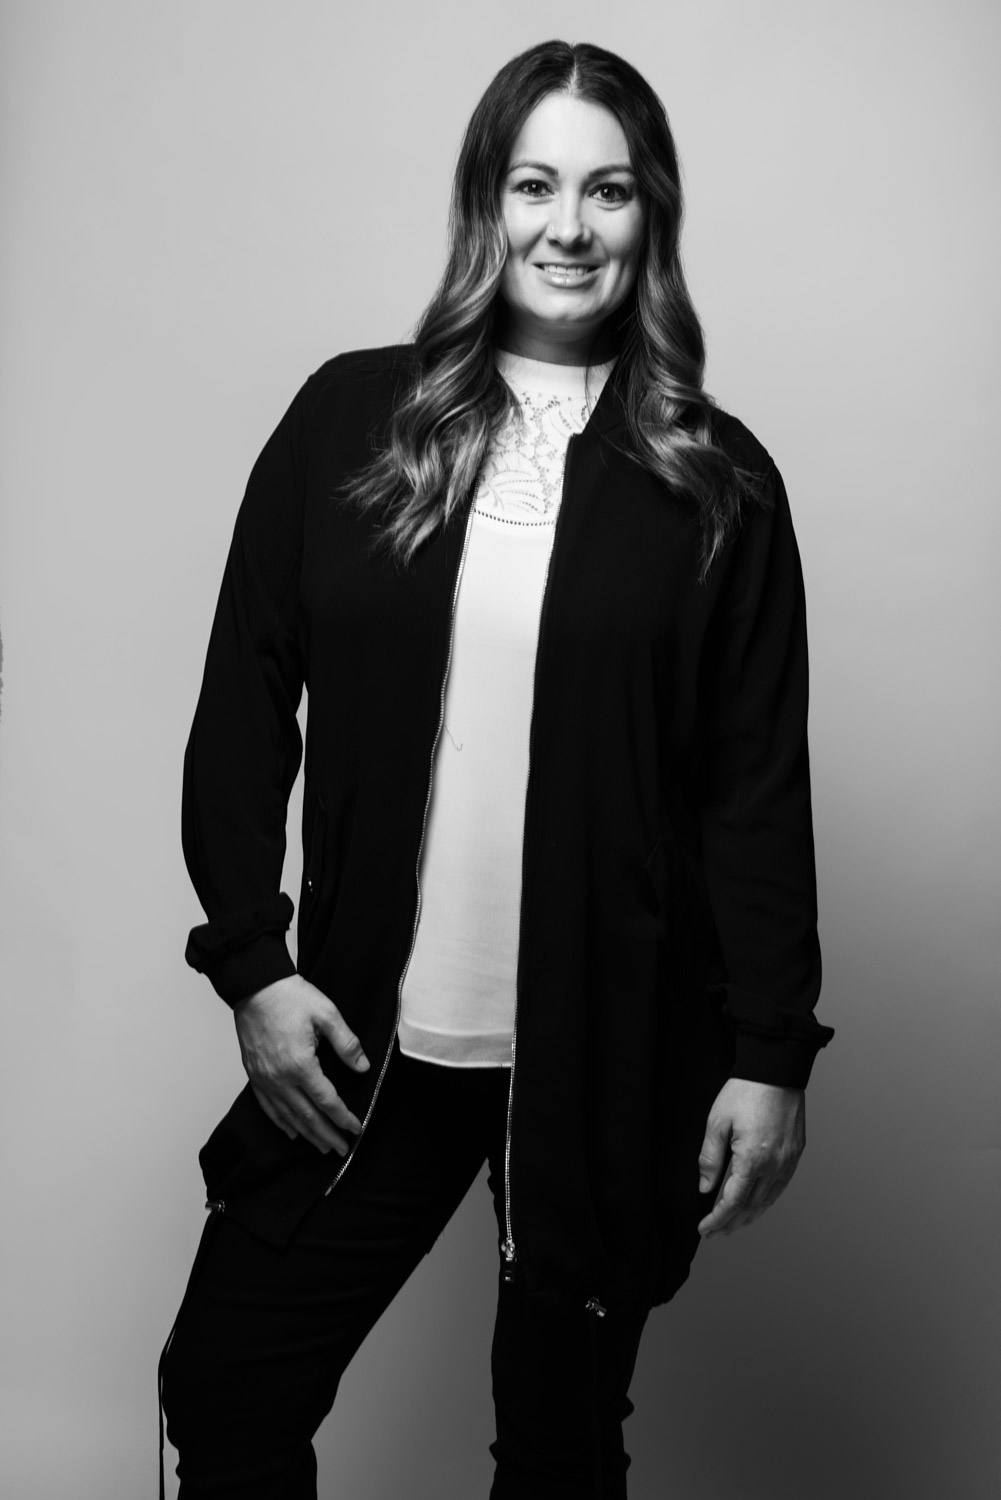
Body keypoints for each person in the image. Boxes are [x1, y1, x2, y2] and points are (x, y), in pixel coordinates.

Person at [159, 38, 835, 1500]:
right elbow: (241, 703)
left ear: (651, 215)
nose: (568, 227)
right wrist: (253, 966)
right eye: (535, 185)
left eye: (608, 190)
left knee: (558, 1451)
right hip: (365, 1045)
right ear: (486, 202)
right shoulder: (350, 418)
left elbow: (751, 790)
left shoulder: (715, 480)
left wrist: (771, 1052)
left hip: (609, 1054)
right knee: (224, 1390)